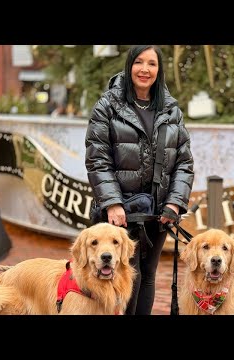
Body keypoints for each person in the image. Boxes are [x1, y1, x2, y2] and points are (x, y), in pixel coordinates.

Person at [85, 45, 194, 315]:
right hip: (120, 213)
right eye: (139, 62)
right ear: (129, 65)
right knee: (120, 273)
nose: (145, 69)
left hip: (157, 213)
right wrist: (112, 203)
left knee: (147, 273)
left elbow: (184, 161)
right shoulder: (108, 105)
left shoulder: (170, 109)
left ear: (159, 69)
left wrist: (175, 203)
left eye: (152, 64)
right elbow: (98, 159)